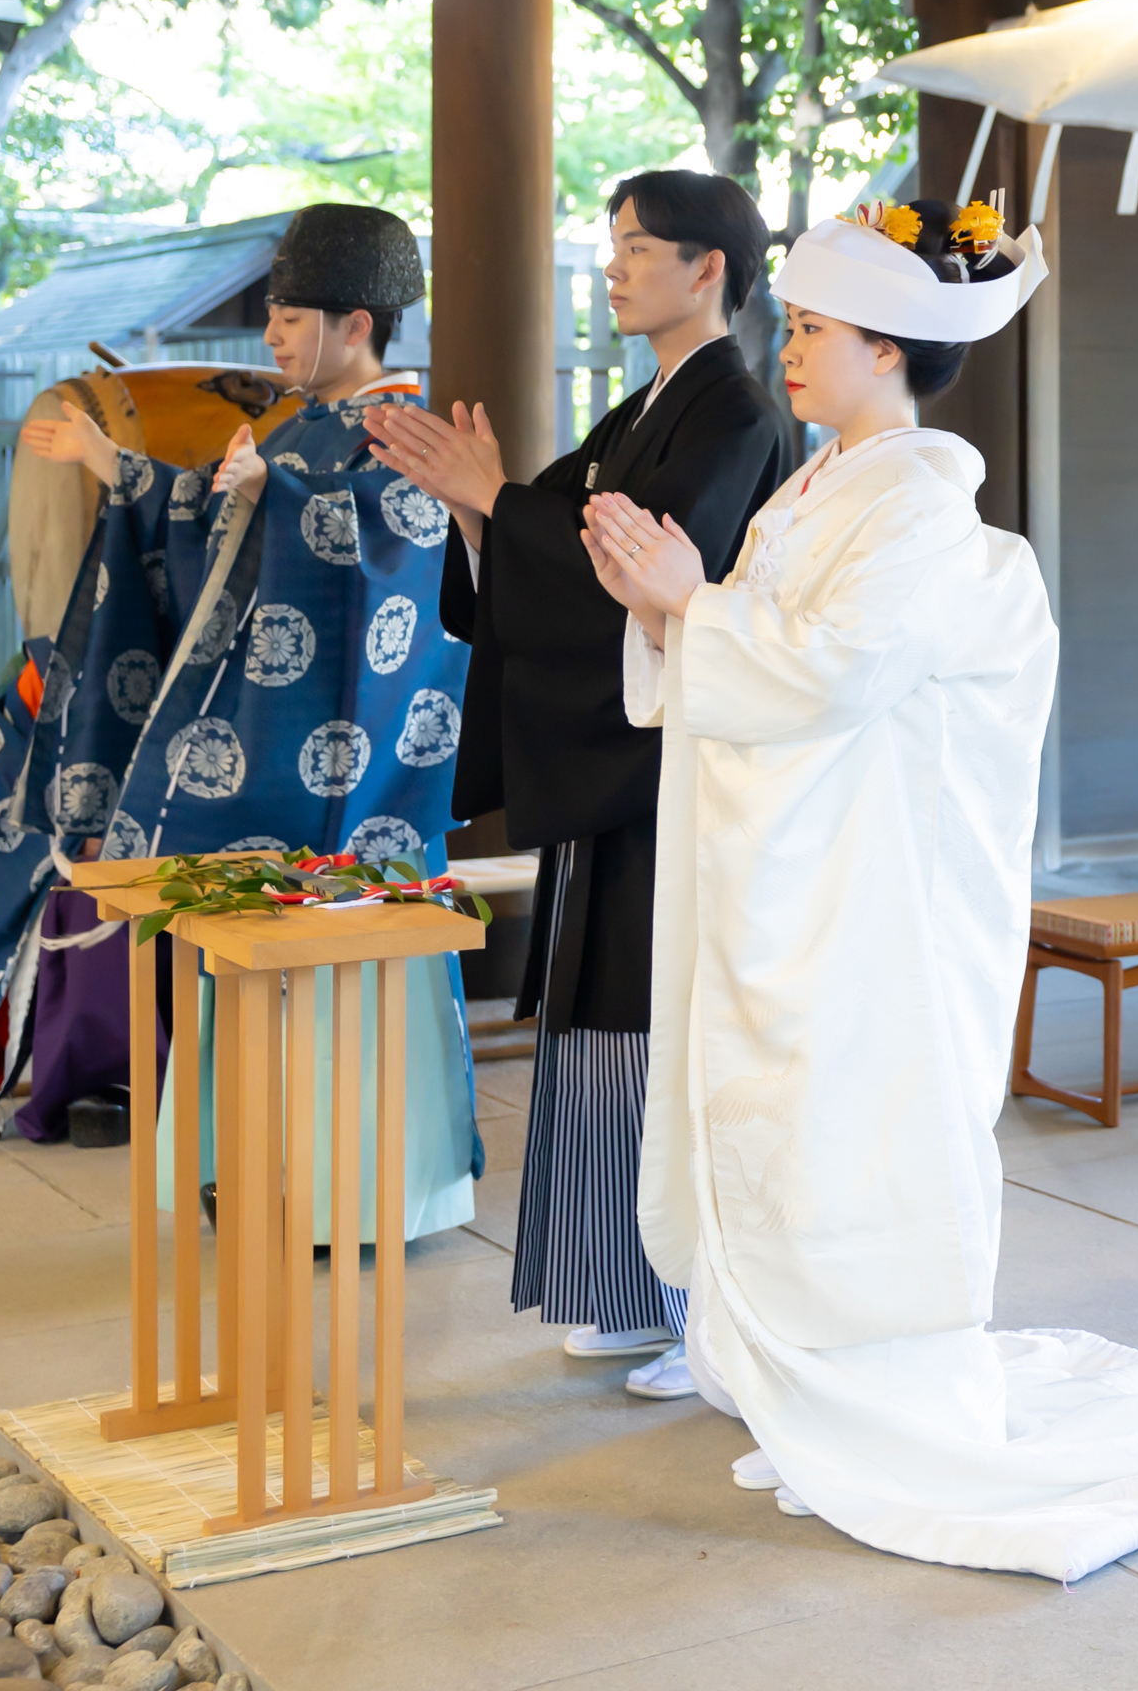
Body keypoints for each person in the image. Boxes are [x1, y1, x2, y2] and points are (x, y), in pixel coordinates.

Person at [583, 199, 1138, 1578]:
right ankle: (793, 1375)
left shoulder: (911, 499)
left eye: (819, 329)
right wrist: (674, 607)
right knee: (799, 1118)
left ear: (889, 351)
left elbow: (835, 671)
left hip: (865, 889)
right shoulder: (824, 484)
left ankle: (867, 1391)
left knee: (849, 1121)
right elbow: (782, 651)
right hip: (805, 862)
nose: (790, 349)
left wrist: (688, 603)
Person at [369, 172, 797, 1390]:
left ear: (708, 268)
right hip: (624, 771)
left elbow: (658, 581)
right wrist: (482, 513)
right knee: (604, 1007)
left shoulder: (737, 416)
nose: (613, 269)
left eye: (636, 249)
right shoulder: (643, 410)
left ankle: (683, 1294)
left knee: (657, 1017)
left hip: (678, 765)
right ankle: (622, 1278)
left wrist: (493, 504)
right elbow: (543, 535)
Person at [21, 203, 483, 1240]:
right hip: (283, 738)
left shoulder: (409, 425)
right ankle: (257, 1171)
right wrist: (120, 471)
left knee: (321, 937)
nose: (271, 339)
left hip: (358, 775)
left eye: (288, 318)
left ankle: (360, 1192)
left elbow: (397, 556)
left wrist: (281, 499)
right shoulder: (306, 424)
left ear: (355, 323)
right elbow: (214, 520)